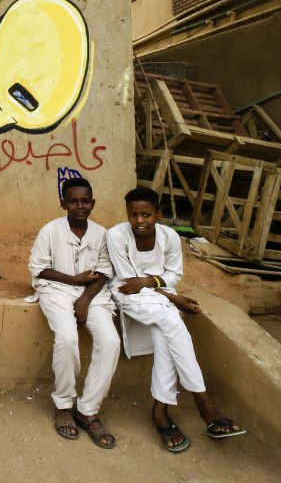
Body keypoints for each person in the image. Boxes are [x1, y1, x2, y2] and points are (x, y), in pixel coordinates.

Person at [107, 187, 246, 452]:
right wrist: (173, 299)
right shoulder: (116, 235)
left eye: (146, 214)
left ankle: (161, 411)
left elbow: (173, 275)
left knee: (165, 330)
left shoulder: (170, 237)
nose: (139, 221)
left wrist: (151, 282)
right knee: (171, 318)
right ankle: (203, 401)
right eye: (133, 215)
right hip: (128, 295)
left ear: (158, 214)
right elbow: (128, 282)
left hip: (159, 295)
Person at [29, 177, 120, 448]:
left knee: (111, 342)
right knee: (67, 338)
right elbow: (38, 268)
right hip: (55, 290)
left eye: (85, 201)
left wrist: (85, 298)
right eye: (73, 201)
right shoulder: (50, 230)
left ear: (93, 202)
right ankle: (64, 404)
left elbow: (105, 270)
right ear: (63, 203)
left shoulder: (102, 234)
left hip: (93, 295)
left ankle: (88, 409)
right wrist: (74, 281)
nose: (80, 206)